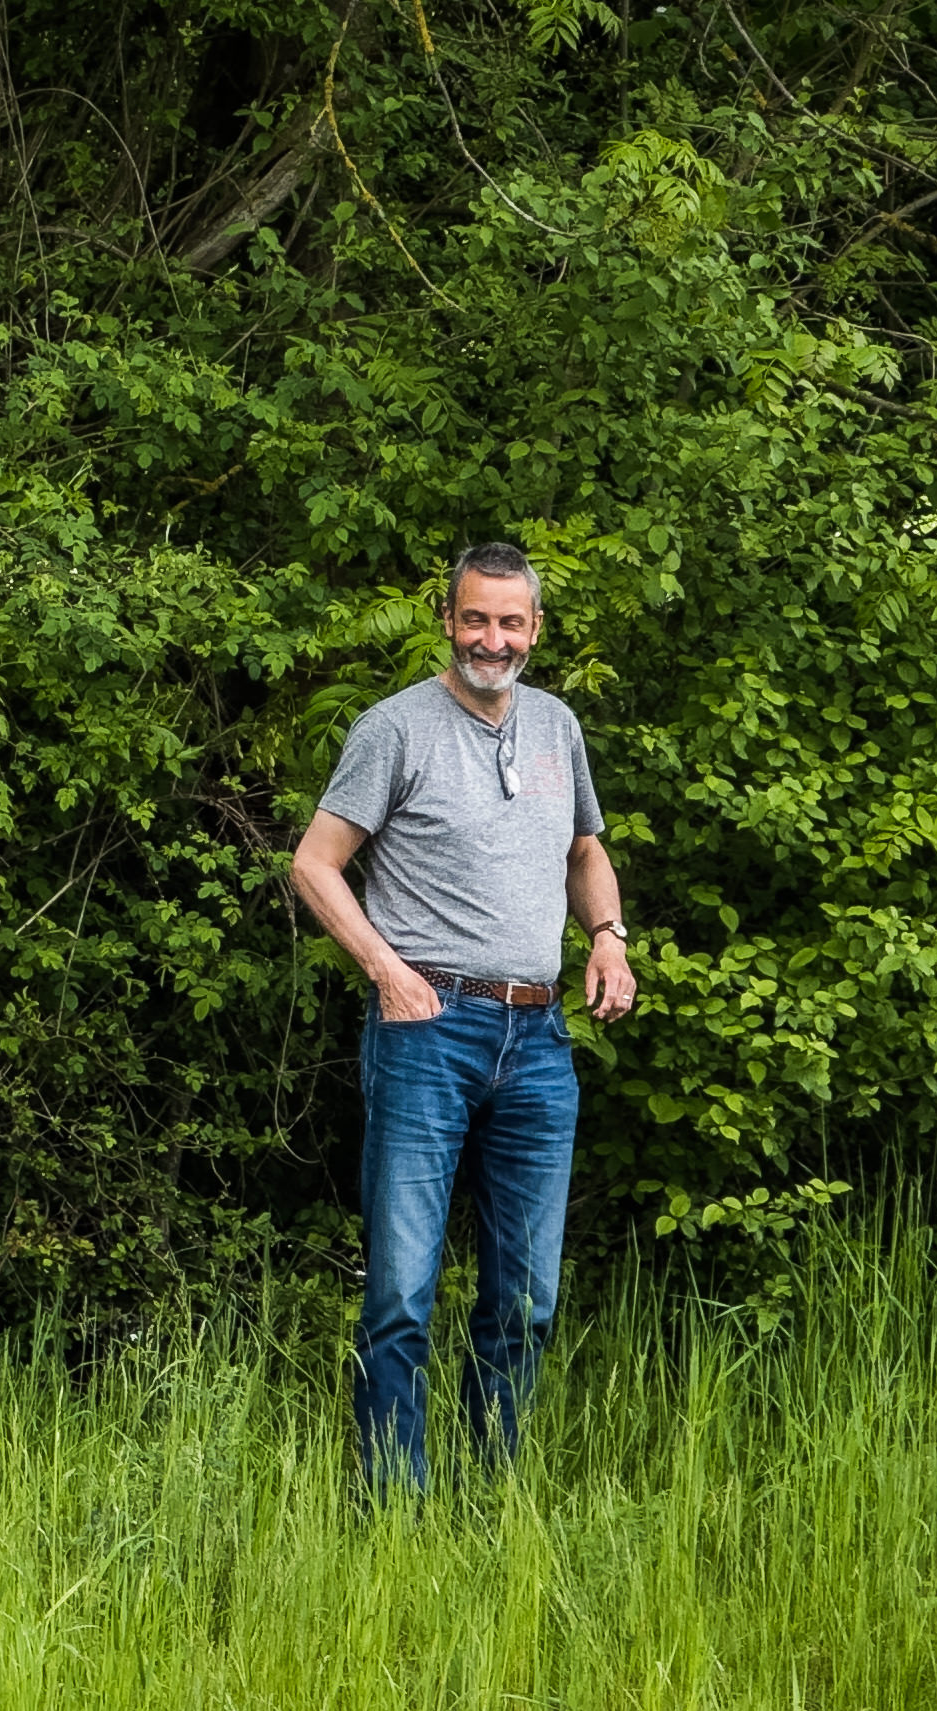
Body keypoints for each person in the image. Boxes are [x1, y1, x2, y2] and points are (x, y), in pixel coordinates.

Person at [288, 541, 637, 1489]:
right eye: (475, 618)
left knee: (526, 1298)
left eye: (510, 622)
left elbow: (585, 852)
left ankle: (493, 1497)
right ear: (447, 620)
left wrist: (608, 937)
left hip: (539, 1039)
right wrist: (386, 972)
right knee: (401, 1294)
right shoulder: (395, 729)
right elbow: (315, 863)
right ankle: (393, 1508)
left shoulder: (557, 726)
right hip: (427, 1033)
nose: (493, 639)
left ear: (535, 629)